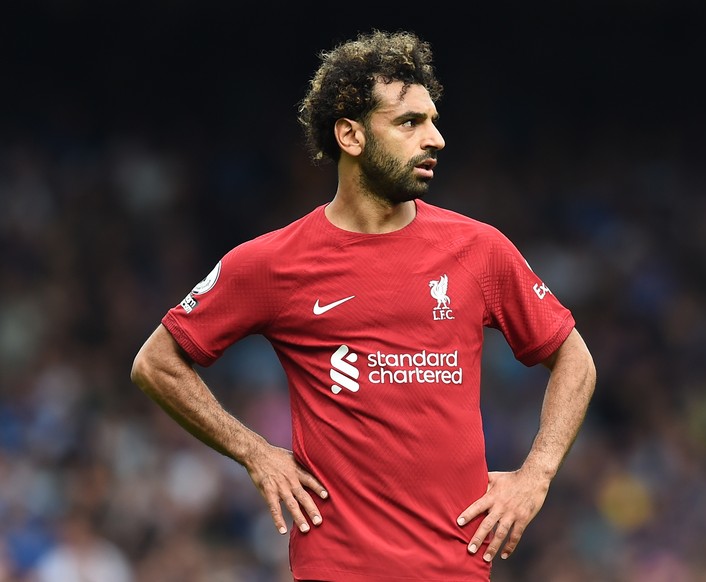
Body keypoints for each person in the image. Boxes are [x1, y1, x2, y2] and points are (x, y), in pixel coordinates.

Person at [130, 29, 596, 582]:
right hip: (337, 570)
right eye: (409, 122)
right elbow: (155, 363)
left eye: (433, 119)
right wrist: (256, 452)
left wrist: (536, 475)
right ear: (350, 135)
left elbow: (576, 360)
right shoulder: (273, 263)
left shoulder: (480, 250)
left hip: (455, 571)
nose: (436, 138)